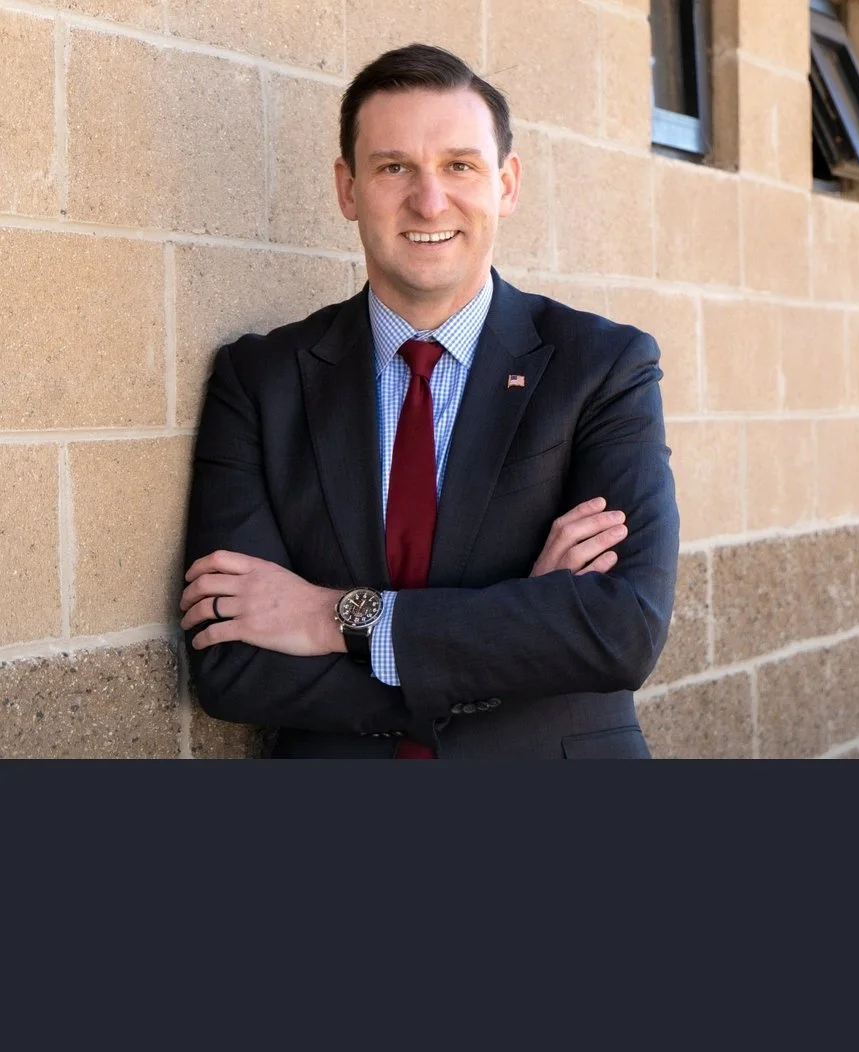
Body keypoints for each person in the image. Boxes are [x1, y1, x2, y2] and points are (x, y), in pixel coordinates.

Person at [181, 43, 680, 759]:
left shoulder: (603, 367)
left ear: (506, 184)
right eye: (394, 168)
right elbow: (232, 664)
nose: (430, 200)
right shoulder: (261, 380)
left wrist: (332, 616)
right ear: (348, 189)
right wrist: (517, 632)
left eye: (459, 166)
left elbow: (621, 630)